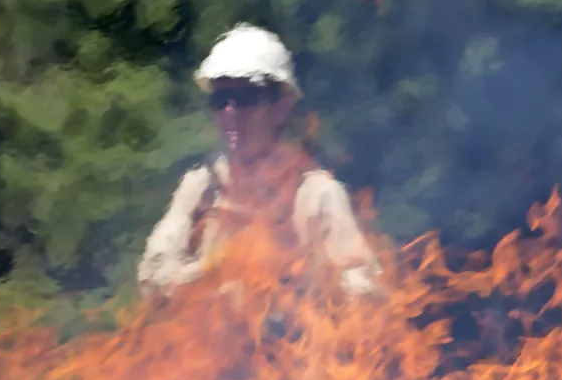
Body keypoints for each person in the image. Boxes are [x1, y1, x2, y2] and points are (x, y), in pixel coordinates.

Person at [138, 24, 382, 297]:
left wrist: (311, 285)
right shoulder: (199, 188)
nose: (230, 112)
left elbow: (365, 288)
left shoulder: (318, 195)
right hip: (206, 339)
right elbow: (153, 280)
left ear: (282, 106)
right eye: (220, 99)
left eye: (245, 98)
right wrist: (213, 270)